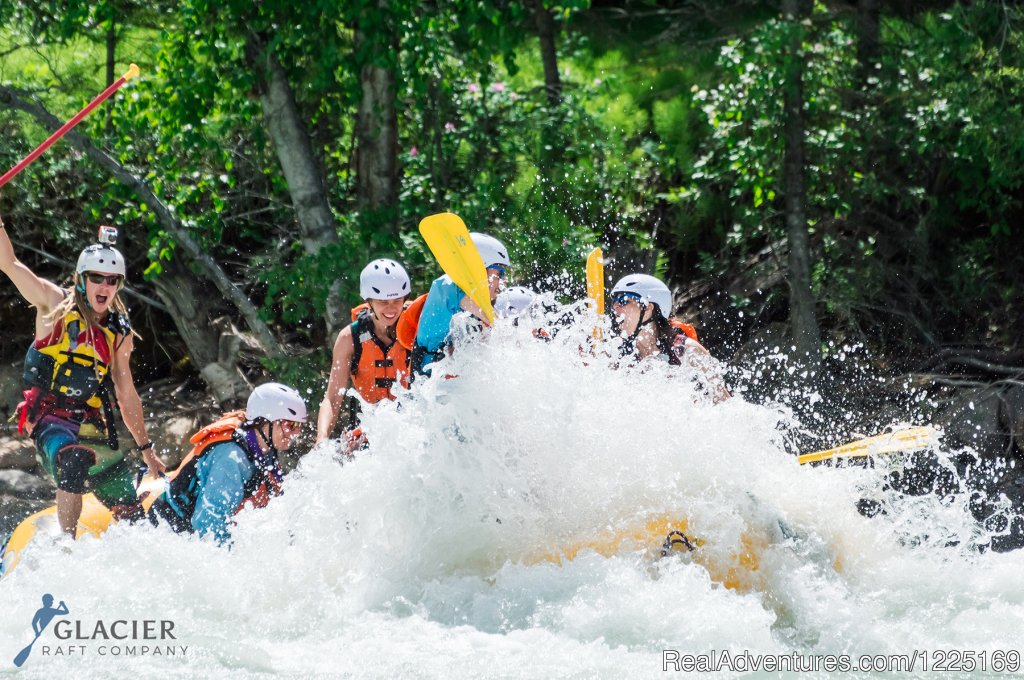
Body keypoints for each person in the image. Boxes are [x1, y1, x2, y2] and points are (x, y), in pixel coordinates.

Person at [0, 216, 165, 538]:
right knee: (73, 460)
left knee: (131, 513)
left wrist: (147, 449)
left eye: (112, 280)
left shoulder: (118, 332)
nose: (104, 286)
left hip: (89, 422)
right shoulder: (53, 304)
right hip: (48, 419)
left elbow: (126, 392)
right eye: (96, 278)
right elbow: (9, 263)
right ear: (80, 278)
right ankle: (68, 550)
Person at [148, 382, 307, 545]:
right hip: (169, 530)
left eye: (299, 426)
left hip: (190, 528)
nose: (296, 433)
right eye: (291, 425)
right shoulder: (232, 459)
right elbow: (207, 526)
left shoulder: (265, 448)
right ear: (266, 420)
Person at [316, 259, 412, 445]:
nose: (391, 309)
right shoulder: (349, 338)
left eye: (397, 301)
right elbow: (333, 396)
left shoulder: (417, 327)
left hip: (408, 425)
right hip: (367, 427)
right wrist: (322, 438)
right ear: (369, 301)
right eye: (383, 302)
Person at [609, 273, 730, 403]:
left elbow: (725, 403)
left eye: (624, 300)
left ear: (648, 308)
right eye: (614, 302)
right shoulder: (617, 355)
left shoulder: (687, 350)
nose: (615, 306)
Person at [411, 232, 509, 376]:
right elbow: (498, 325)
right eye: (499, 274)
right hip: (430, 388)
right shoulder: (447, 287)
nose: (503, 281)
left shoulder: (474, 305)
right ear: (478, 269)